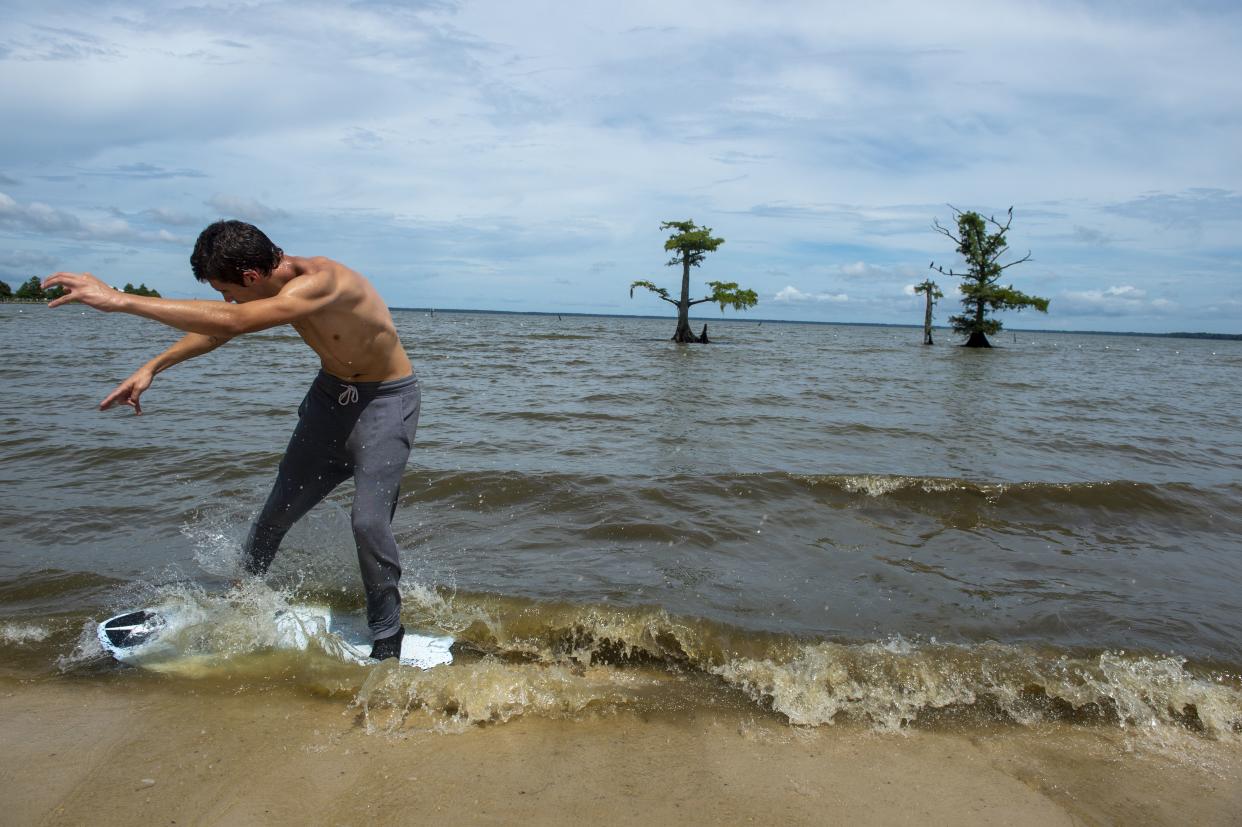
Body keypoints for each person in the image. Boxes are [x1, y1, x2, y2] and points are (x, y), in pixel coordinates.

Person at [43, 220, 419, 660]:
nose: (226, 299)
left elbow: (235, 320)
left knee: (368, 523)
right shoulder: (275, 292)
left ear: (252, 278)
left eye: (226, 289)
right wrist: (153, 367)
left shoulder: (324, 282)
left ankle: (388, 633)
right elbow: (219, 328)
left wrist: (119, 299)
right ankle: (243, 603)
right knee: (275, 515)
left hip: (385, 405)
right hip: (329, 401)